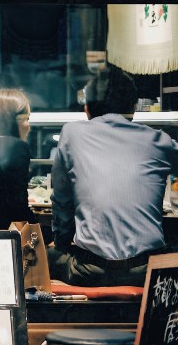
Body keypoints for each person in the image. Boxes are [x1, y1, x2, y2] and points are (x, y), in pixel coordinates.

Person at [48, 65, 178, 286]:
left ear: (87, 109)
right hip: (147, 271)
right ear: (133, 108)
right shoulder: (159, 140)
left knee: (47, 256)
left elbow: (61, 202)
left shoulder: (72, 133)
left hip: (91, 271)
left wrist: (61, 241)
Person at [0, 88, 37, 230]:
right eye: (26, 119)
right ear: (10, 120)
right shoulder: (17, 147)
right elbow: (19, 209)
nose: (29, 126)